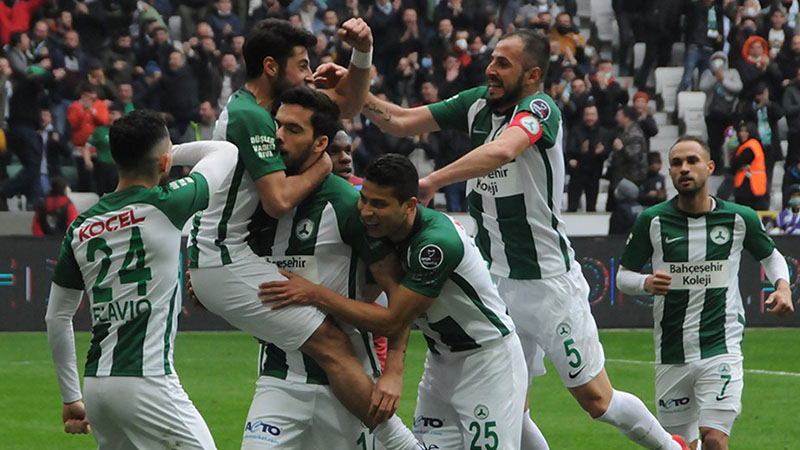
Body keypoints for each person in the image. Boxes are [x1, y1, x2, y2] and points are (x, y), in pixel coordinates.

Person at [359, 29, 690, 450]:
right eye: (492, 59)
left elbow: (501, 151)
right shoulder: (476, 103)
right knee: (514, 407)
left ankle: (672, 447)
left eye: (503, 64)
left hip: (549, 281)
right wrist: (357, 94)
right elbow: (403, 121)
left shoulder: (540, 107)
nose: (490, 69)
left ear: (533, 74)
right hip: (497, 282)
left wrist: (434, 180)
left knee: (596, 400)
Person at [185, 18, 418, 448]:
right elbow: (277, 200)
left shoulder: (274, 113)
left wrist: (361, 55)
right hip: (230, 269)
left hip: (219, 256)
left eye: (293, 131)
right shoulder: (254, 117)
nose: (311, 73)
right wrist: (325, 165)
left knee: (329, 340)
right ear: (272, 67)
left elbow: (344, 108)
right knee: (328, 340)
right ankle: (404, 445)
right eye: (303, 64)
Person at [260, 154, 528, 450]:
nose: (366, 212)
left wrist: (314, 293)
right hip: (440, 362)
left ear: (410, 206)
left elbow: (393, 319)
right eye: (364, 200)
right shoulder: (385, 233)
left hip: (488, 361)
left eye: (379, 204)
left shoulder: (435, 245)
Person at [45, 109, 239, 449]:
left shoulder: (80, 227)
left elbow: (56, 317)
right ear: (164, 163)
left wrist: (70, 396)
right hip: (147, 379)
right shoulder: (168, 203)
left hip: (96, 388)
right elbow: (227, 152)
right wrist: (168, 152)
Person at [616, 135, 794, 450]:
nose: (684, 168)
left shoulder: (740, 218)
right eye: (676, 163)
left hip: (721, 346)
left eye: (692, 161)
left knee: (714, 438)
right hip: (672, 351)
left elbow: (771, 256)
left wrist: (782, 287)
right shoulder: (652, 220)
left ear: (709, 167)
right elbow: (622, 277)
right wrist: (645, 283)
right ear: (670, 172)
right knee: (681, 444)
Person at [731, 122, 769, 210]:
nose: (742, 134)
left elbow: (736, 164)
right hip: (755, 185)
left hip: (749, 186)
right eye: (741, 131)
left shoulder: (749, 147)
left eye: (746, 131)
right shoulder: (755, 145)